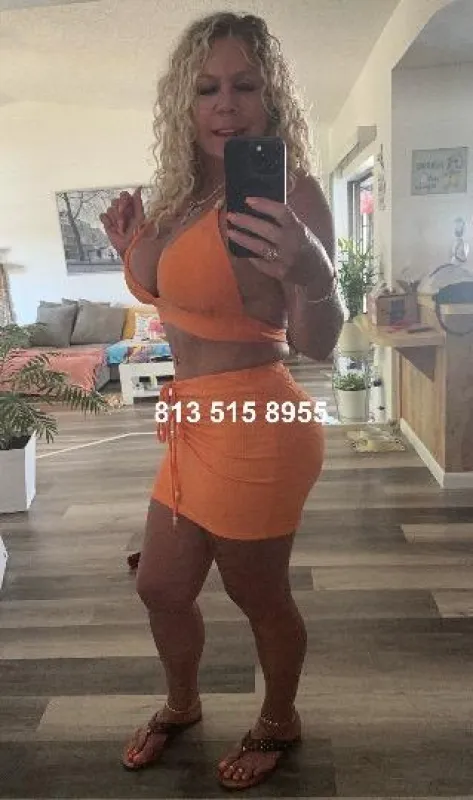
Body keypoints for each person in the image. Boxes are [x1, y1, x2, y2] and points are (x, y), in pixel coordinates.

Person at [100, 11, 343, 791]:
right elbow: (181, 296)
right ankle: (182, 706)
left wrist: (312, 273)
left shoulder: (291, 193)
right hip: (191, 421)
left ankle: (279, 720)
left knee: (256, 593)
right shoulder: (177, 195)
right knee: (160, 587)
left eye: (245, 85)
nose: (226, 104)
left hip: (257, 418)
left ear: (272, 98)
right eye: (207, 88)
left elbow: (316, 343)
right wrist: (131, 254)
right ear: (185, 99)